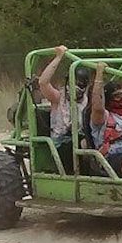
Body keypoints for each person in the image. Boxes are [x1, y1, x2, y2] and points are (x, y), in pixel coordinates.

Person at [37, 45, 90, 174]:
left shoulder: (87, 101)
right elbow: (43, 82)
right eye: (74, 83)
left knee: (89, 143)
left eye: (81, 84)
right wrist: (58, 57)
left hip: (82, 139)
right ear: (68, 82)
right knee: (83, 145)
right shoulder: (58, 98)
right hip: (61, 143)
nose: (77, 88)